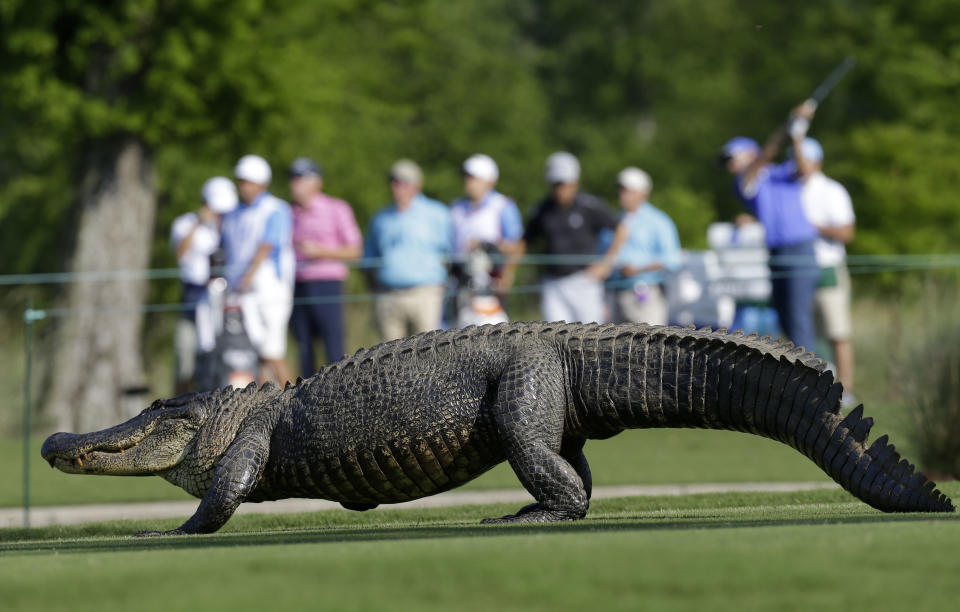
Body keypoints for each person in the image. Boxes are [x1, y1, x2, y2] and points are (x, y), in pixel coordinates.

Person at [720, 102, 820, 352]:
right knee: (786, 317)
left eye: (732, 158)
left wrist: (797, 134)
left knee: (798, 318)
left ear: (749, 153)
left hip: (799, 248)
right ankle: (802, 376)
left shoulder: (781, 172)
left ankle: (812, 381)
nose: (728, 165)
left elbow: (804, 169)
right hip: (776, 251)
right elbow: (766, 156)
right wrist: (788, 127)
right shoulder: (744, 183)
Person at [522, 151, 623, 324]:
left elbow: (621, 229)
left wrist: (606, 263)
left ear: (575, 183)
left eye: (564, 184)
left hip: (584, 282)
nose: (560, 189)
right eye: (556, 184)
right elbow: (524, 242)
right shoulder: (542, 210)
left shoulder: (589, 205)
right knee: (553, 339)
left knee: (590, 339)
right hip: (553, 283)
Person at [220, 154, 295, 385]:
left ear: (262, 183)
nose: (244, 186)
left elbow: (268, 245)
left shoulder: (276, 209)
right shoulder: (233, 213)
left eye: (248, 181)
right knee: (257, 352)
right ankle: (268, 407)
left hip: (269, 285)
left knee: (272, 351)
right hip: (241, 288)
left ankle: (295, 400)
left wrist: (248, 275)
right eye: (241, 181)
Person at [364, 159, 453, 341]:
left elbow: (451, 251)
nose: (397, 186)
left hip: (426, 294)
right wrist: (374, 287)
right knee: (390, 360)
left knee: (428, 356)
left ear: (417, 185)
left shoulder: (437, 213)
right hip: (388, 295)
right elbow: (368, 257)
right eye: (394, 181)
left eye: (403, 182)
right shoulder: (380, 218)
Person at [288, 157, 362, 375]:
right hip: (297, 284)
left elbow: (355, 251)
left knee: (333, 347)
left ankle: (340, 400)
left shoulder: (337, 208)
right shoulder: (290, 213)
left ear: (317, 182)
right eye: (293, 178)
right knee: (303, 347)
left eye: (300, 178)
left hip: (327, 283)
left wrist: (321, 252)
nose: (294, 183)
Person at [798, 137, 857, 405]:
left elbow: (847, 231)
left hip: (827, 268)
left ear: (817, 161)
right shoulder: (790, 189)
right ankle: (812, 386)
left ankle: (846, 389)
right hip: (798, 268)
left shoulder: (832, 190)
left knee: (837, 331)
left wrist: (812, 227)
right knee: (805, 332)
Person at [169, 177, 238, 393]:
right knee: (185, 363)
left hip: (222, 300)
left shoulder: (229, 226)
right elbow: (180, 254)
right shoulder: (184, 223)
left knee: (221, 361)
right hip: (192, 295)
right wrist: (198, 223)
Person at [449, 154, 524, 325]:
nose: (469, 182)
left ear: (489, 181)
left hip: (491, 288)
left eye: (474, 177)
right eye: (467, 177)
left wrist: (506, 273)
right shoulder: (456, 208)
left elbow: (517, 246)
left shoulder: (503, 206)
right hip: (461, 288)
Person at [611, 167, 682, 326]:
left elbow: (672, 259)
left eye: (627, 190)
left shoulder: (659, 221)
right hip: (616, 292)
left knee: (650, 345)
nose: (622, 194)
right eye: (620, 189)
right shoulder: (614, 219)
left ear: (642, 193)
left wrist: (637, 270)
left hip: (648, 293)